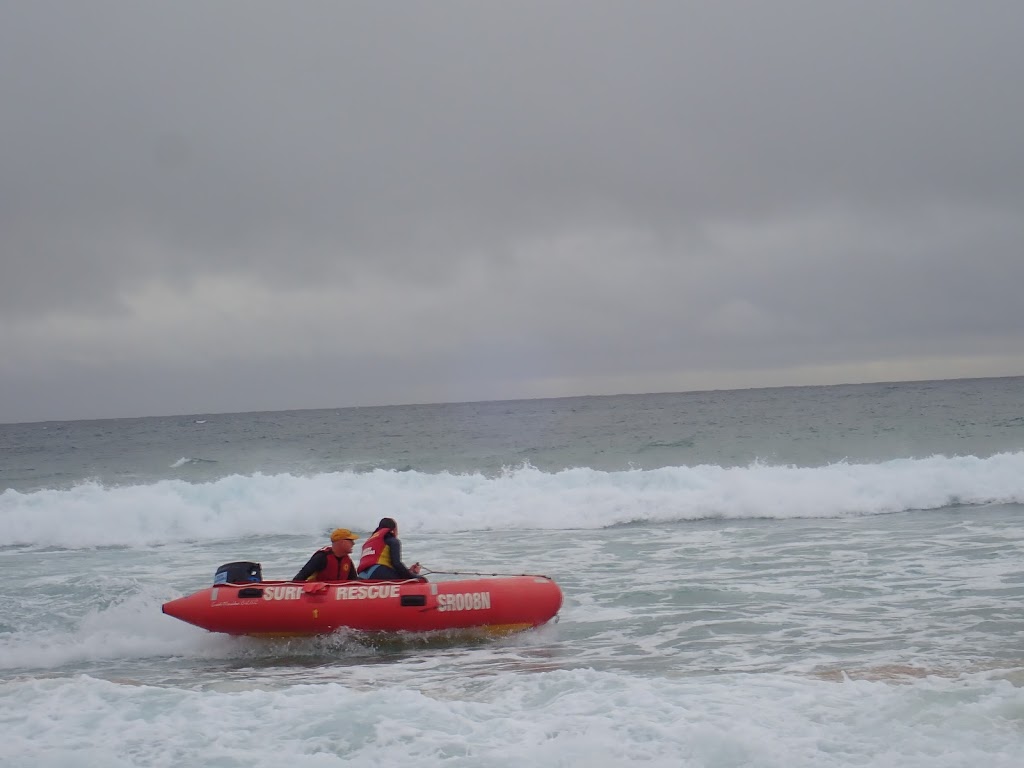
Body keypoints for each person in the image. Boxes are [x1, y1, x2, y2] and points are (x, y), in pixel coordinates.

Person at [357, 517, 425, 581]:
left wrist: (410, 571)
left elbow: (387, 566)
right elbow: (396, 564)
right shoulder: (392, 540)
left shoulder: (370, 541)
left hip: (362, 576)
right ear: (394, 529)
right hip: (378, 572)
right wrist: (413, 576)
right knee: (420, 580)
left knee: (408, 575)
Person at [293, 528, 360, 582]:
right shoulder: (321, 557)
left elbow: (353, 580)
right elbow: (299, 578)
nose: (353, 544)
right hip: (317, 594)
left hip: (335, 595)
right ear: (342, 542)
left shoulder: (347, 560)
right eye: (351, 541)